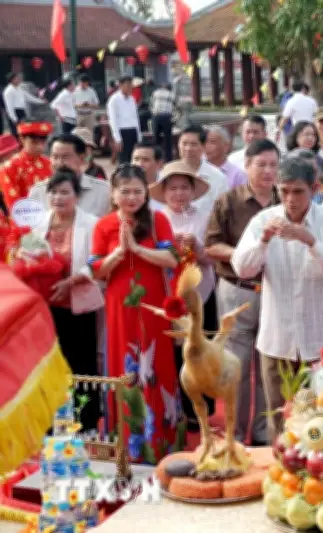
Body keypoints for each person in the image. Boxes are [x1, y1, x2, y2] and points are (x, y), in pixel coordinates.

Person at [231, 157, 323, 442]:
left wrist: (311, 241)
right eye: (284, 191)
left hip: (321, 341)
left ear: (315, 188)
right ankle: (280, 469)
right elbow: (242, 269)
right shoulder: (263, 220)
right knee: (279, 420)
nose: (290, 199)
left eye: (298, 191)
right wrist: (263, 241)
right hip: (277, 340)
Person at [89, 164, 180, 464]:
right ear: (113, 194)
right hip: (119, 305)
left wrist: (138, 250)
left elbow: (171, 258)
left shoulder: (157, 219)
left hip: (153, 303)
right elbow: (97, 271)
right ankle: (127, 441)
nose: (131, 197)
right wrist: (119, 252)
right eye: (125, 191)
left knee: (156, 362)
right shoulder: (103, 225)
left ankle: (161, 441)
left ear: (146, 193)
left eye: (137, 191)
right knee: (123, 363)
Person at [205, 139, 281, 446]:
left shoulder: (285, 200)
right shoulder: (228, 201)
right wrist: (245, 255)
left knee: (269, 364)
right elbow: (211, 245)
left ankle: (264, 432)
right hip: (237, 289)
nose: (267, 171)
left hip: (276, 290)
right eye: (261, 164)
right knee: (236, 365)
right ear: (246, 166)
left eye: (273, 165)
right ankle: (234, 434)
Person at [32, 168, 104, 430]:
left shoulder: (92, 223)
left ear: (77, 196)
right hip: (46, 307)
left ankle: (86, 421)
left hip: (78, 304)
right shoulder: (38, 224)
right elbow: (28, 258)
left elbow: (97, 261)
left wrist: (72, 281)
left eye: (65, 192)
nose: (58, 198)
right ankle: (51, 422)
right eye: (53, 192)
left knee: (82, 363)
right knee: (49, 364)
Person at [148, 160, 216, 429]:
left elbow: (211, 258)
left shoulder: (205, 216)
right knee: (175, 353)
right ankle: (177, 409)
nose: (179, 193)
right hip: (168, 295)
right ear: (164, 192)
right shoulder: (156, 219)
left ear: (192, 190)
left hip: (201, 293)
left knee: (202, 349)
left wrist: (196, 246)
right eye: (173, 188)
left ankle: (202, 410)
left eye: (184, 187)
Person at [28, 133, 111, 218]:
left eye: (66, 157)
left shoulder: (104, 191)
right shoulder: (38, 191)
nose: (60, 163)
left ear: (82, 158)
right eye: (55, 157)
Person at [176, 125, 229, 219]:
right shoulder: (167, 173)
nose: (188, 148)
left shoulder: (218, 177)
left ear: (204, 146)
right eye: (184, 143)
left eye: (194, 144)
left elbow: (224, 211)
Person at [0, 121, 53, 208]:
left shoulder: (50, 164)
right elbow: (13, 204)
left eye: (43, 141)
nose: (40, 146)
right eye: (34, 141)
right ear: (22, 139)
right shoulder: (9, 168)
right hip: (25, 213)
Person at [106, 76, 141, 164]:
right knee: (124, 160)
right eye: (128, 85)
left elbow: (135, 118)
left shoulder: (132, 99)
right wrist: (117, 138)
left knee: (134, 160)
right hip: (123, 132)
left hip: (133, 131)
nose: (130, 88)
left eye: (131, 85)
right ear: (121, 85)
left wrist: (139, 135)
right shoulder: (114, 100)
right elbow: (112, 120)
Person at [2, 73, 45, 138]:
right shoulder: (8, 91)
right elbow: (9, 106)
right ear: (12, 80)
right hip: (14, 112)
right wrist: (14, 119)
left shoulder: (20, 89)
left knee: (24, 131)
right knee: (16, 133)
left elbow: (29, 97)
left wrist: (41, 101)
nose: (19, 80)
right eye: (16, 78)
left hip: (21, 111)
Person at [150, 83, 177, 162]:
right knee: (168, 139)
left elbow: (151, 104)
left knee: (156, 138)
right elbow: (177, 106)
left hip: (156, 116)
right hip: (166, 117)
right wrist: (174, 119)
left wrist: (153, 112)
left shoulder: (156, 92)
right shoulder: (171, 94)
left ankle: (156, 157)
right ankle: (168, 159)